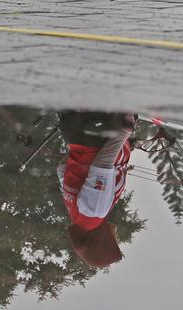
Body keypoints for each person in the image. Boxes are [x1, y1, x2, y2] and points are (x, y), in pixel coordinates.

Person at [57, 111, 134, 268]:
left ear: (101, 241)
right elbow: (61, 168)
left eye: (114, 241)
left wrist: (125, 130)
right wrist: (79, 152)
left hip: (98, 128)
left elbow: (102, 166)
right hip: (74, 130)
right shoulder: (76, 214)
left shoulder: (94, 212)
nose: (116, 237)